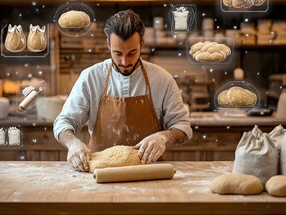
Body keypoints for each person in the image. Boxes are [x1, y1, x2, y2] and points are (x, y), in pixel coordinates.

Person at [53, 9, 192, 172]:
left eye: (132, 53)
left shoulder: (162, 80)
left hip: (149, 172)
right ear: (108, 45)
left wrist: (163, 137)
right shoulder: (90, 77)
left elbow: (183, 127)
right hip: (101, 174)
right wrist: (73, 143)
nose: (125, 61)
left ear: (142, 44)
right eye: (117, 53)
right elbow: (63, 123)